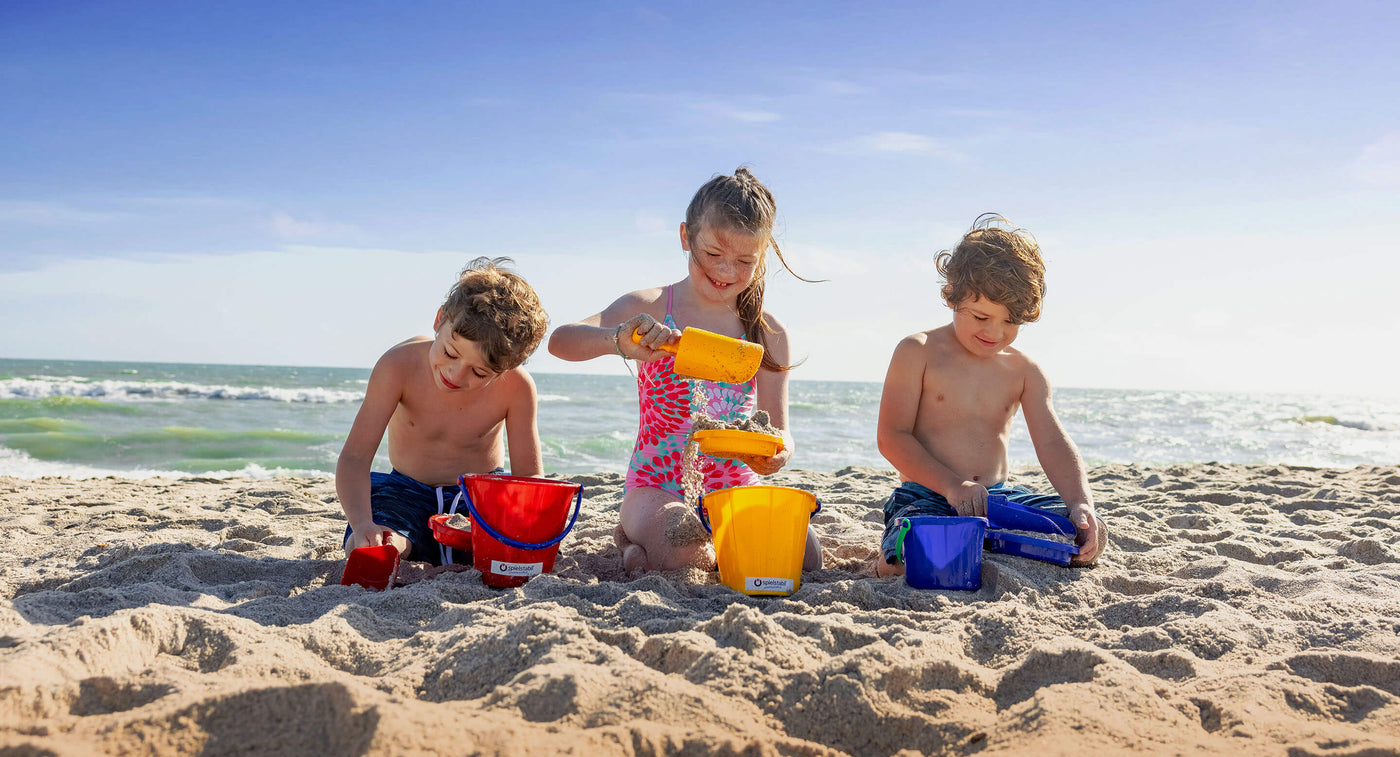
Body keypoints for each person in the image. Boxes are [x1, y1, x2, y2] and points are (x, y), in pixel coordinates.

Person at [548, 167, 822, 574]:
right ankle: (634, 541)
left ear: (762, 255)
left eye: (745, 260)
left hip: (733, 487)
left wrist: (777, 455)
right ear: (685, 237)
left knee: (806, 558)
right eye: (713, 254)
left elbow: (778, 430)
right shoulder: (654, 306)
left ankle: (656, 550)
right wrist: (618, 341)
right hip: (657, 487)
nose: (727, 272)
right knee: (688, 552)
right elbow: (561, 341)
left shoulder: (767, 333)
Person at [874, 214, 1107, 576]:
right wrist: (953, 486)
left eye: (1010, 322)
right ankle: (883, 563)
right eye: (981, 317)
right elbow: (892, 438)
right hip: (928, 495)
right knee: (913, 558)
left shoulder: (1024, 371)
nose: (995, 332)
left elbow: (1052, 443)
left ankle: (993, 542)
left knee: (1077, 532)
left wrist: (1080, 502)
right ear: (951, 295)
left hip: (997, 500)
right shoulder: (917, 351)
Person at [336, 257, 549, 564]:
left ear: (505, 369)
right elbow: (355, 457)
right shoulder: (398, 366)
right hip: (403, 489)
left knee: (502, 544)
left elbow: (530, 480)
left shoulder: (516, 387)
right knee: (376, 542)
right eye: (450, 352)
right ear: (439, 320)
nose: (456, 374)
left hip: (477, 495)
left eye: (479, 373)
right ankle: (390, 551)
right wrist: (362, 525)